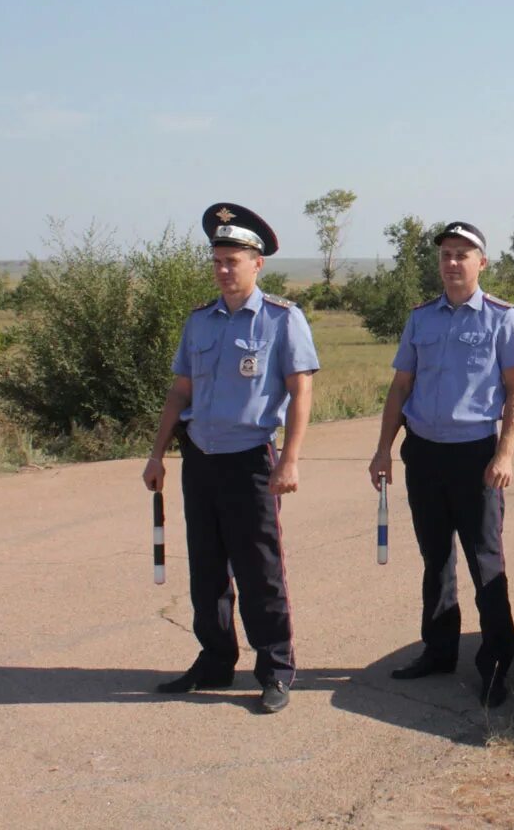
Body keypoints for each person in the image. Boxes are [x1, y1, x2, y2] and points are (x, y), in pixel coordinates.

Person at [143, 202, 319, 714]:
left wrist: (290, 459)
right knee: (205, 568)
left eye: (233, 260)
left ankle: (275, 669)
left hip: (251, 461)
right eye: (217, 260)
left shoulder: (282, 319)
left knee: (259, 569)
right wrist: (157, 454)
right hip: (201, 458)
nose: (223, 270)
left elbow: (300, 391)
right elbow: (179, 393)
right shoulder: (200, 322)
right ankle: (216, 660)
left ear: (257, 262)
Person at [369, 221, 514, 707]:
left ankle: (496, 666)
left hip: (475, 456)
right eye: (445, 255)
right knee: (435, 560)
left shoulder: (502, 318)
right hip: (424, 453)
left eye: (463, 254)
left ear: (481, 262)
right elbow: (401, 386)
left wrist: (505, 453)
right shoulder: (422, 318)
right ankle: (438, 652)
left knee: (485, 564)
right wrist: (382, 448)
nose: (452, 263)